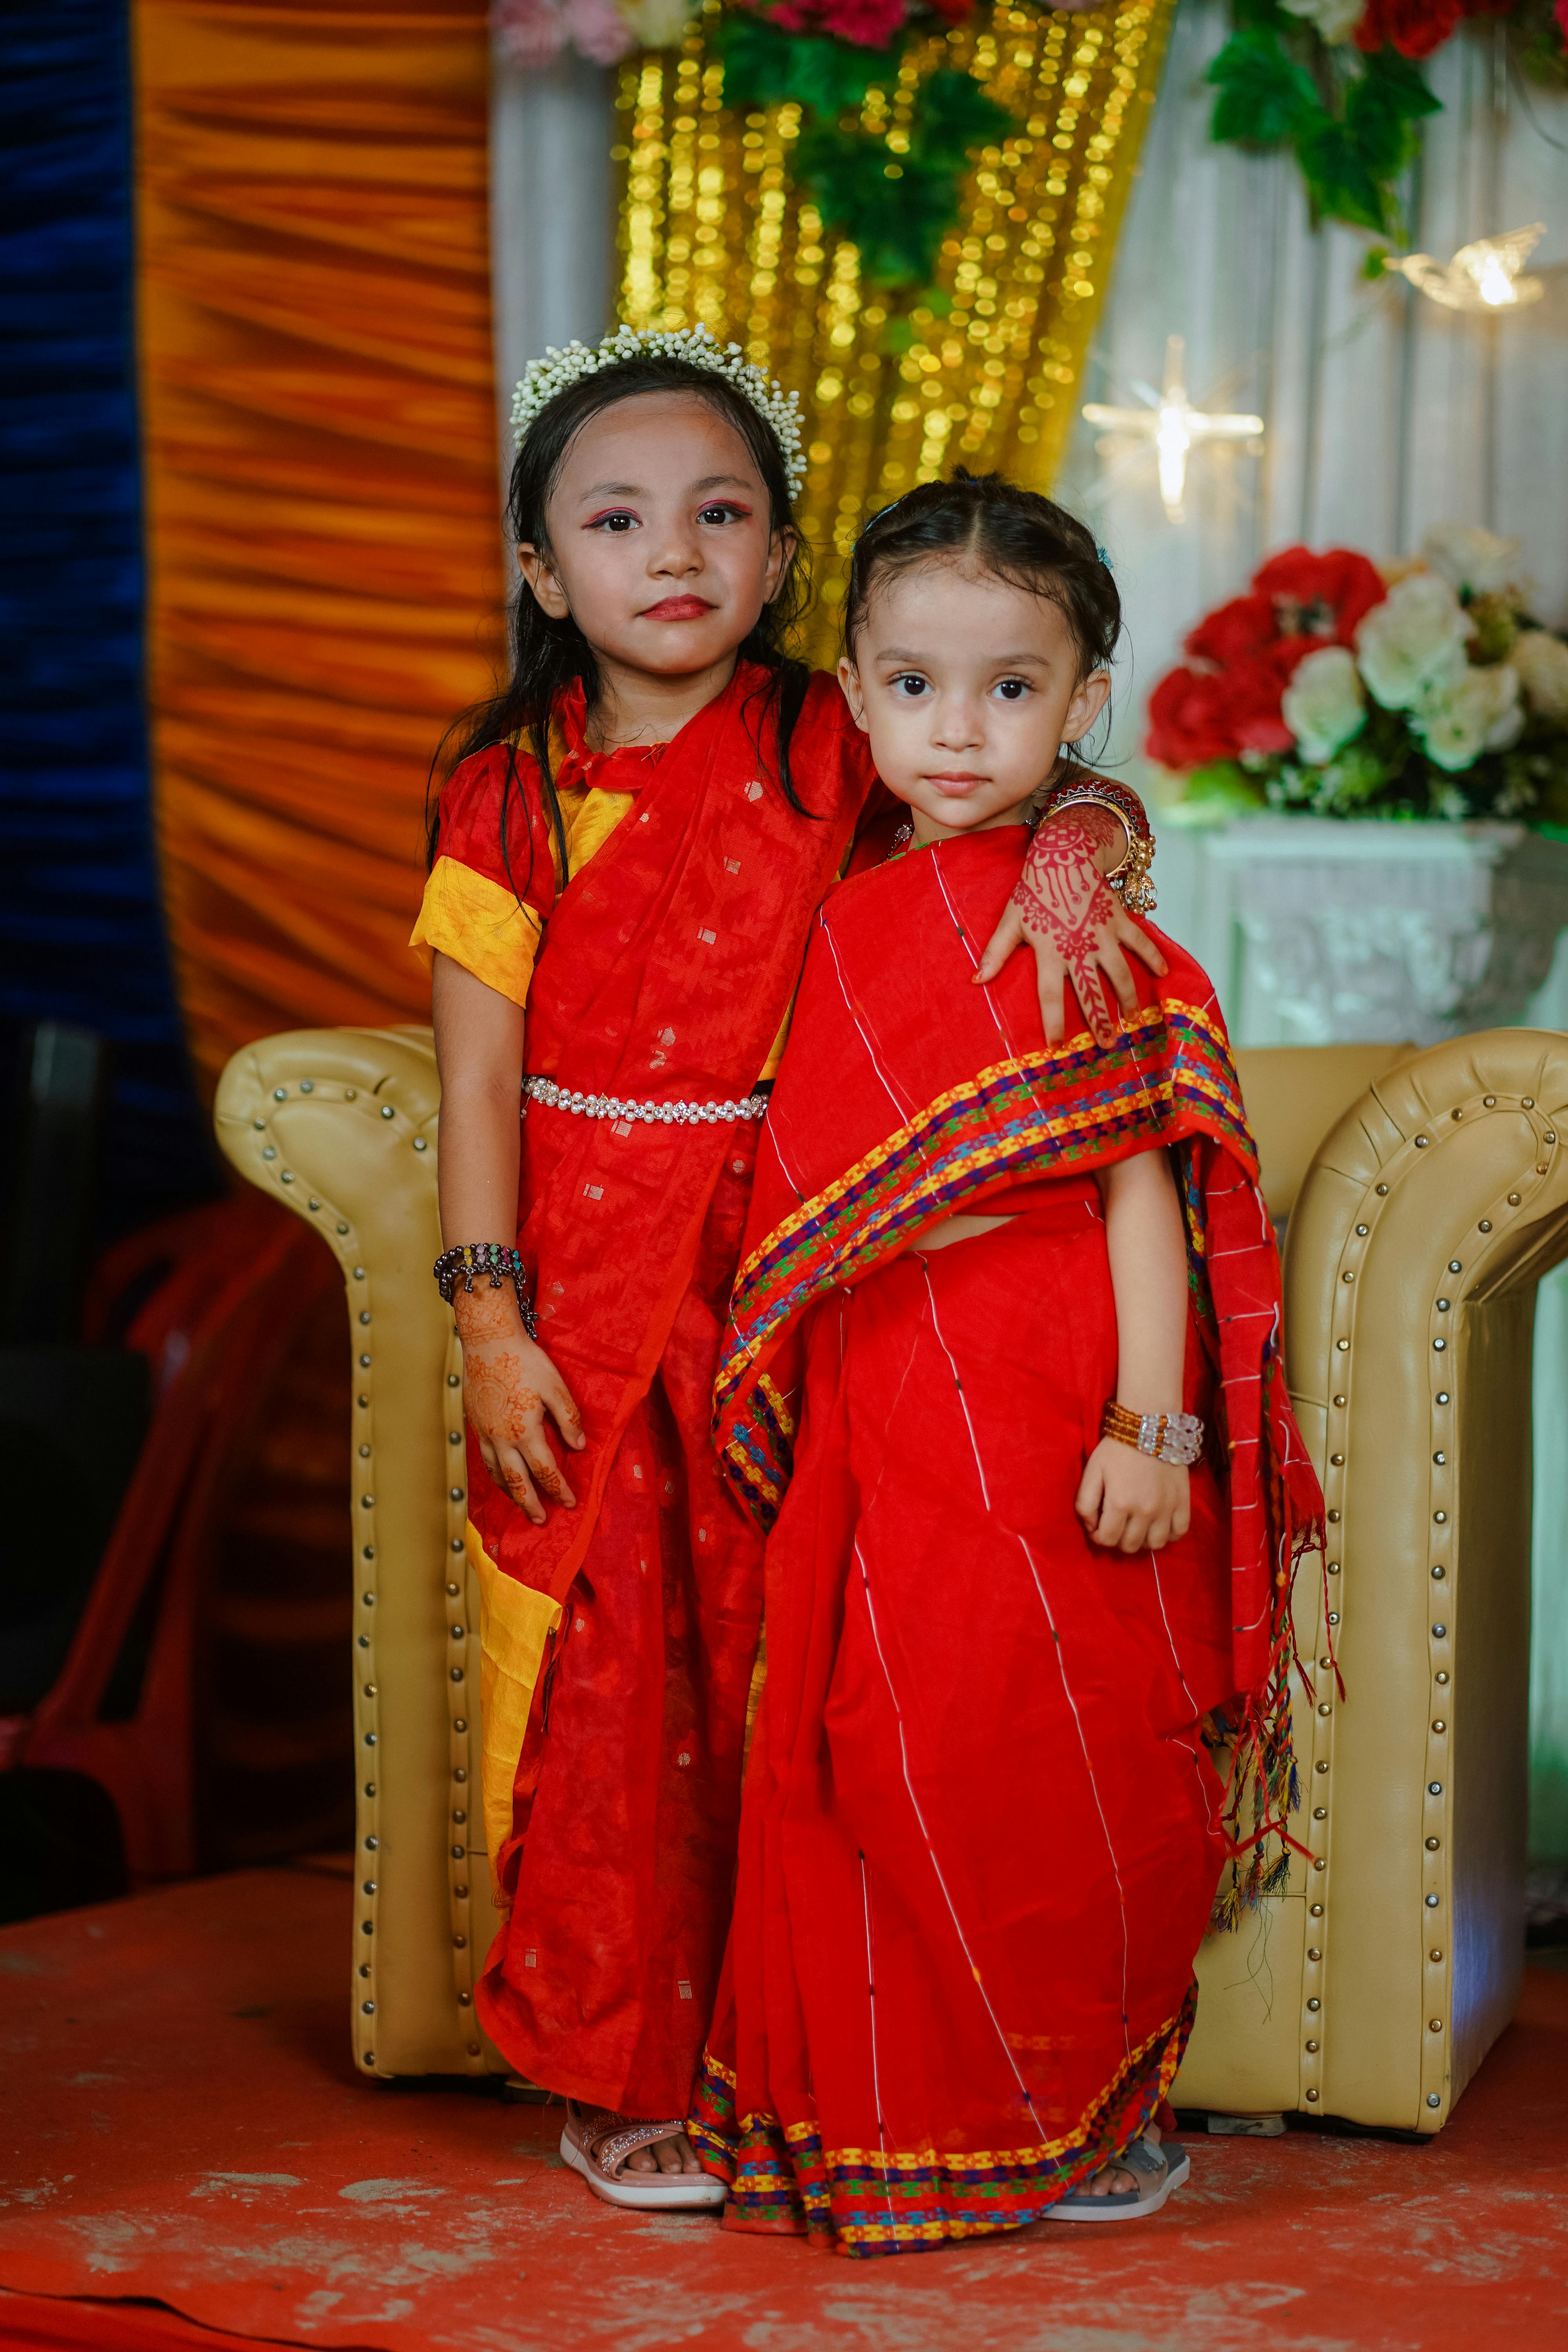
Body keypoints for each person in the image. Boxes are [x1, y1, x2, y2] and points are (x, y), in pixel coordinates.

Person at [412, 327, 1163, 2207]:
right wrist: (492, 1321)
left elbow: (1045, 772)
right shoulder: (508, 795)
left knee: (790, 1659)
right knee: (612, 1682)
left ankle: (809, 2067)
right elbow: (477, 1080)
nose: (672, 553)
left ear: (777, 554)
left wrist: (1082, 861)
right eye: (616, 517)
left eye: (719, 514)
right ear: (538, 570)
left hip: (801, 1262)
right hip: (584, 1287)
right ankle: (620, 2061)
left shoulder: (834, 734)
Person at [690, 472, 1325, 2253]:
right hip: (885, 1379)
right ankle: (905, 2113)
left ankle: (1075, 2105)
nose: (954, 731)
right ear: (852, 687)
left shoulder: (1080, 921)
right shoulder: (849, 889)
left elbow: (1144, 1191)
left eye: (1008, 691)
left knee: (1055, 1746)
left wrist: (1156, 1424)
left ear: (1084, 705)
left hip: (1056, 1380)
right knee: (882, 1738)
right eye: (910, 686)